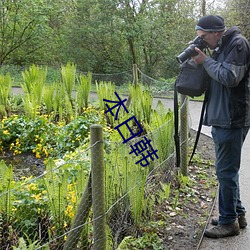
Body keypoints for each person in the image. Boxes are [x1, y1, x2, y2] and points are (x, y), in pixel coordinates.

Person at [192, 15, 250, 238]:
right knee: (227, 171)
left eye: (204, 37)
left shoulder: (238, 44)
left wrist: (205, 61)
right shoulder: (221, 46)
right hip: (222, 117)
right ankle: (237, 214)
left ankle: (228, 223)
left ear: (216, 32)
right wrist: (202, 60)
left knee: (225, 171)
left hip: (232, 118)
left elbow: (229, 77)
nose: (203, 41)